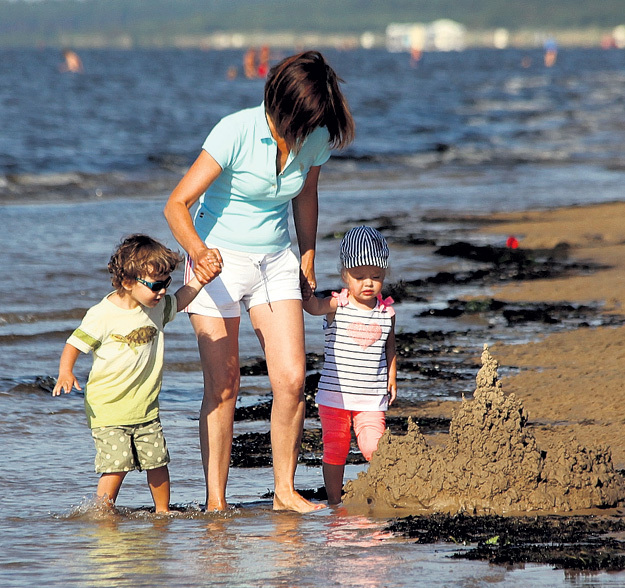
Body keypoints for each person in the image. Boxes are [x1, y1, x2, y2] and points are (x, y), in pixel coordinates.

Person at [163, 50, 355, 512]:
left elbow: (306, 195)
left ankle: (285, 493)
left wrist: (307, 255)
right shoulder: (235, 130)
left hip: (276, 260)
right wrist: (199, 252)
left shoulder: (316, 136)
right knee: (224, 384)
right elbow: (176, 205)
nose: (313, 131)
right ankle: (216, 501)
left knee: (290, 380)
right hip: (218, 259)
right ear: (282, 105)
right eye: (306, 120)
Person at [52, 234, 219, 513]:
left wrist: (200, 280)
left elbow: (180, 299)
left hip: (145, 406)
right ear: (128, 282)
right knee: (116, 465)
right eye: (155, 285)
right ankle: (103, 512)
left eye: (166, 283)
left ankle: (163, 510)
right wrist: (65, 371)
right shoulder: (102, 314)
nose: (163, 291)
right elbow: (74, 343)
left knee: (157, 461)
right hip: (108, 407)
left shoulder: (157, 308)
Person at [303, 226, 397, 505]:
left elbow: (390, 346)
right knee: (335, 448)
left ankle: (384, 492)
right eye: (359, 277)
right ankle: (334, 502)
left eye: (376, 277)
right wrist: (302, 285)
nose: (368, 283)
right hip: (335, 396)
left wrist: (392, 376)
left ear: (384, 275)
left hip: (371, 396)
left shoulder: (387, 312)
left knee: (374, 446)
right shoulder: (337, 304)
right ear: (345, 275)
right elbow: (311, 307)